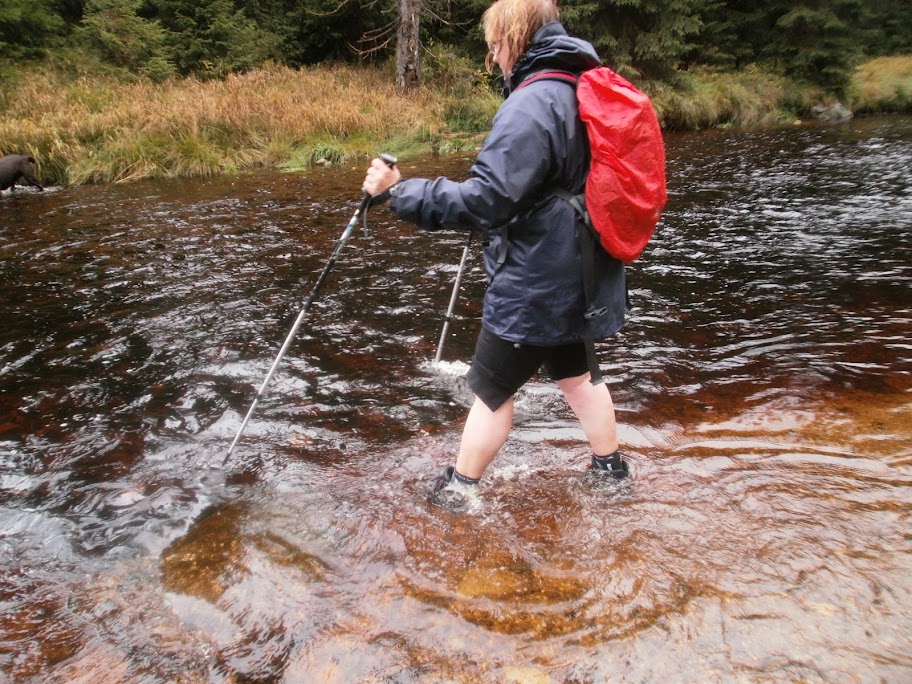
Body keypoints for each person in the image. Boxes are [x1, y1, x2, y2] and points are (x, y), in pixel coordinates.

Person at [362, 0, 629, 507]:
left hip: (538, 277)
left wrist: (400, 192)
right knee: (577, 374)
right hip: (583, 267)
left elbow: (487, 199)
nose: (494, 55)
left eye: (493, 45)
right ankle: (611, 470)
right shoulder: (581, 86)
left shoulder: (533, 103)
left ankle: (460, 489)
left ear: (513, 38)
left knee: (490, 386)